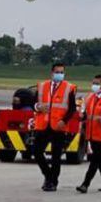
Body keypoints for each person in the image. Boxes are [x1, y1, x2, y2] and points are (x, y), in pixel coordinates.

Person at [32, 62, 76, 192]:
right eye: (57, 72)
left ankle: (53, 182)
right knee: (37, 151)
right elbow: (33, 102)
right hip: (43, 124)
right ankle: (48, 175)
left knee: (56, 156)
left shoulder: (69, 88)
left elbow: (72, 108)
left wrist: (64, 120)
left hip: (58, 125)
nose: (60, 75)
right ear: (52, 73)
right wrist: (38, 107)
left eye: (62, 72)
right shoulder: (42, 86)